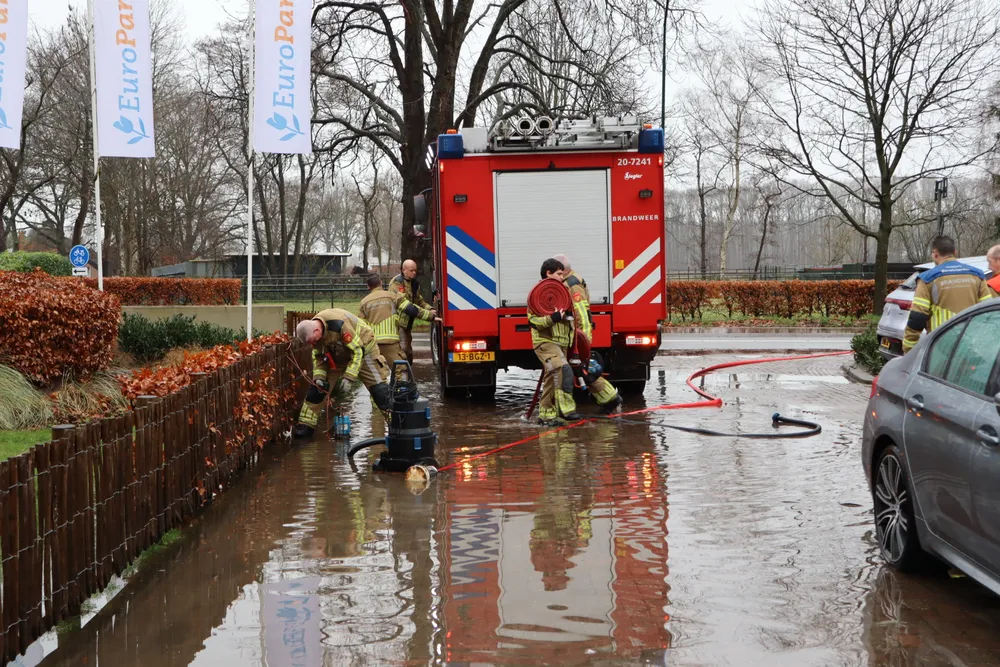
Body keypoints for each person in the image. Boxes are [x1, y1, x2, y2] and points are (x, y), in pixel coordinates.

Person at [292, 308, 391, 438]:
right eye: (310, 342)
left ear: (316, 330)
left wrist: (349, 377)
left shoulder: (339, 324)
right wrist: (319, 377)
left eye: (313, 341)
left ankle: (396, 422)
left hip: (364, 349)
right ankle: (305, 426)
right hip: (337, 353)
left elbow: (357, 351)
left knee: (380, 390)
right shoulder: (315, 334)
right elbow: (319, 357)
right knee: (318, 389)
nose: (313, 343)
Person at [552, 253, 622, 414]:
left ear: (562, 270)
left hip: (577, 337)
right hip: (574, 336)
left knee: (582, 371)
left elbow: (582, 314)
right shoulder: (570, 281)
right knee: (582, 371)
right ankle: (610, 398)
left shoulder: (572, 285)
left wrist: (581, 340)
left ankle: (610, 399)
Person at [902, 235, 992, 354]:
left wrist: (908, 349)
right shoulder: (978, 275)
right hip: (971, 346)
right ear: (955, 252)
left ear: (935, 253)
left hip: (940, 347)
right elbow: (988, 312)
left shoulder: (927, 279)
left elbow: (917, 318)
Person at [527, 258, 583, 425]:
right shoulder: (538, 294)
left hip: (561, 344)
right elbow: (533, 322)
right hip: (545, 343)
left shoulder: (563, 293)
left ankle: (547, 415)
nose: (562, 277)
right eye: (558, 274)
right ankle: (564, 411)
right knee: (561, 369)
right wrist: (553, 318)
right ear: (548, 273)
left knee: (552, 378)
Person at [359, 273, 438, 364]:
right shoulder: (393, 297)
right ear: (381, 283)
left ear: (368, 286)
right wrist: (431, 316)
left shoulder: (363, 303)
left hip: (374, 344)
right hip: (391, 343)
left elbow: (361, 326)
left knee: (379, 368)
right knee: (400, 368)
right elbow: (411, 309)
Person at [388, 259, 436, 363]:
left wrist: (430, 309)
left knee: (408, 351)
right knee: (403, 349)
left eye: (415, 270)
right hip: (397, 323)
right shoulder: (397, 283)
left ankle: (407, 370)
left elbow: (419, 301)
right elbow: (404, 305)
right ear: (403, 270)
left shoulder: (414, 284)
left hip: (407, 323)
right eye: (411, 270)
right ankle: (401, 371)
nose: (414, 273)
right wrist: (428, 315)